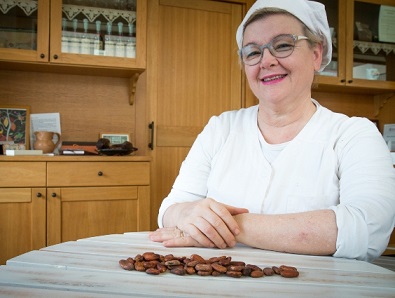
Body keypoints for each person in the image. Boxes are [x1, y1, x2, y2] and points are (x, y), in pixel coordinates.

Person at [149, 0, 395, 261]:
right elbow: (170, 209)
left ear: (316, 54)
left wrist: (229, 226)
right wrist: (184, 214)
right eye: (253, 52)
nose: (266, 61)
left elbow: (368, 229)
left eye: (283, 45)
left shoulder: (354, 135)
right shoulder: (220, 128)